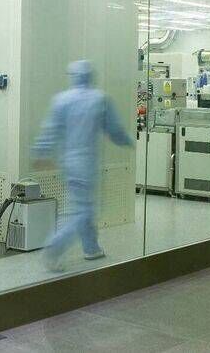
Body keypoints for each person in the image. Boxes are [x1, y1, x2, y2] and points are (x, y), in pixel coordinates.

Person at [32, 60, 132, 270]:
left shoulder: (61, 100)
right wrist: (129, 142)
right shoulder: (99, 99)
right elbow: (115, 130)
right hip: (86, 164)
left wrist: (41, 152)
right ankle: (54, 247)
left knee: (82, 206)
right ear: (90, 76)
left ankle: (91, 248)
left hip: (68, 163)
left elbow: (50, 129)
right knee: (84, 211)